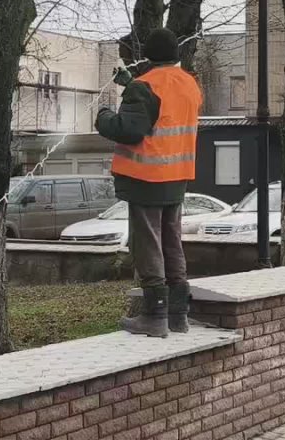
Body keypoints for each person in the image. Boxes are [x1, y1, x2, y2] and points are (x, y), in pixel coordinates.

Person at [96, 28, 203, 338]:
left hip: (147, 177)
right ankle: (178, 315)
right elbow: (161, 110)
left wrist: (103, 116)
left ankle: (154, 316)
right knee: (172, 241)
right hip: (177, 176)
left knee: (147, 244)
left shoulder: (145, 87)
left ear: (149, 55)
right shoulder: (189, 84)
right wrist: (131, 84)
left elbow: (130, 129)